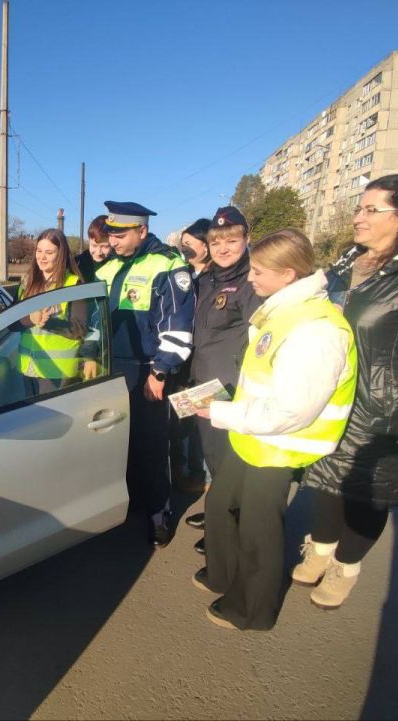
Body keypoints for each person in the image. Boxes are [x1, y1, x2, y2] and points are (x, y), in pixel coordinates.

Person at [295, 174, 398, 610]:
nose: (359, 217)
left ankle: (345, 567)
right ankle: (320, 547)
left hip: (386, 407)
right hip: (335, 395)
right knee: (327, 481)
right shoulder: (349, 260)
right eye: (359, 207)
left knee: (368, 495)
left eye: (372, 210)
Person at [191, 228, 357, 631]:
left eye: (259, 271)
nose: (251, 277)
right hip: (252, 436)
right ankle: (222, 573)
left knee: (258, 532)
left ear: (288, 275)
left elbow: (291, 411)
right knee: (218, 506)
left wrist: (221, 413)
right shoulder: (282, 311)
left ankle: (252, 610)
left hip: (280, 443)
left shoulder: (318, 330)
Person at [94, 200, 195, 547]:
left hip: (147, 369)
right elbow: (96, 324)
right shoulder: (106, 269)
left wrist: (161, 371)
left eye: (120, 234)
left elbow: (178, 326)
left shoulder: (167, 265)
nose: (113, 240)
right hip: (112, 370)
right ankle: (130, 502)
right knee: (118, 443)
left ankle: (158, 512)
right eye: (110, 233)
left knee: (152, 445)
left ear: (142, 230)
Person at [184, 207, 263, 544]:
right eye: (216, 241)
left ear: (247, 239)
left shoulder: (252, 282)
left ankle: (229, 530)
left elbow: (261, 340)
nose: (224, 247)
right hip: (204, 383)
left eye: (232, 239)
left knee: (232, 463)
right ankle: (220, 510)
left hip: (233, 388)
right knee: (212, 457)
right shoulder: (206, 279)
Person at [16, 228, 96, 393]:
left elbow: (79, 328)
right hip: (27, 367)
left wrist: (48, 323)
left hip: (57, 372)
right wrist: (31, 319)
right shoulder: (27, 283)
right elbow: (12, 323)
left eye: (49, 252)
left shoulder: (74, 284)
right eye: (39, 251)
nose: (42, 257)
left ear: (61, 255)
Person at [171, 217, 215, 498]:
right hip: (185, 359)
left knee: (203, 420)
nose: (183, 247)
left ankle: (204, 477)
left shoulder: (214, 278)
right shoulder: (184, 274)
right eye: (182, 243)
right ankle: (189, 470)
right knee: (184, 416)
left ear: (206, 246)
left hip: (206, 359)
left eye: (189, 243)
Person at [75, 215, 111, 282]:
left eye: (105, 246)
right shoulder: (77, 264)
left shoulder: (120, 264)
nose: (98, 252)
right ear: (89, 241)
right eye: (94, 246)